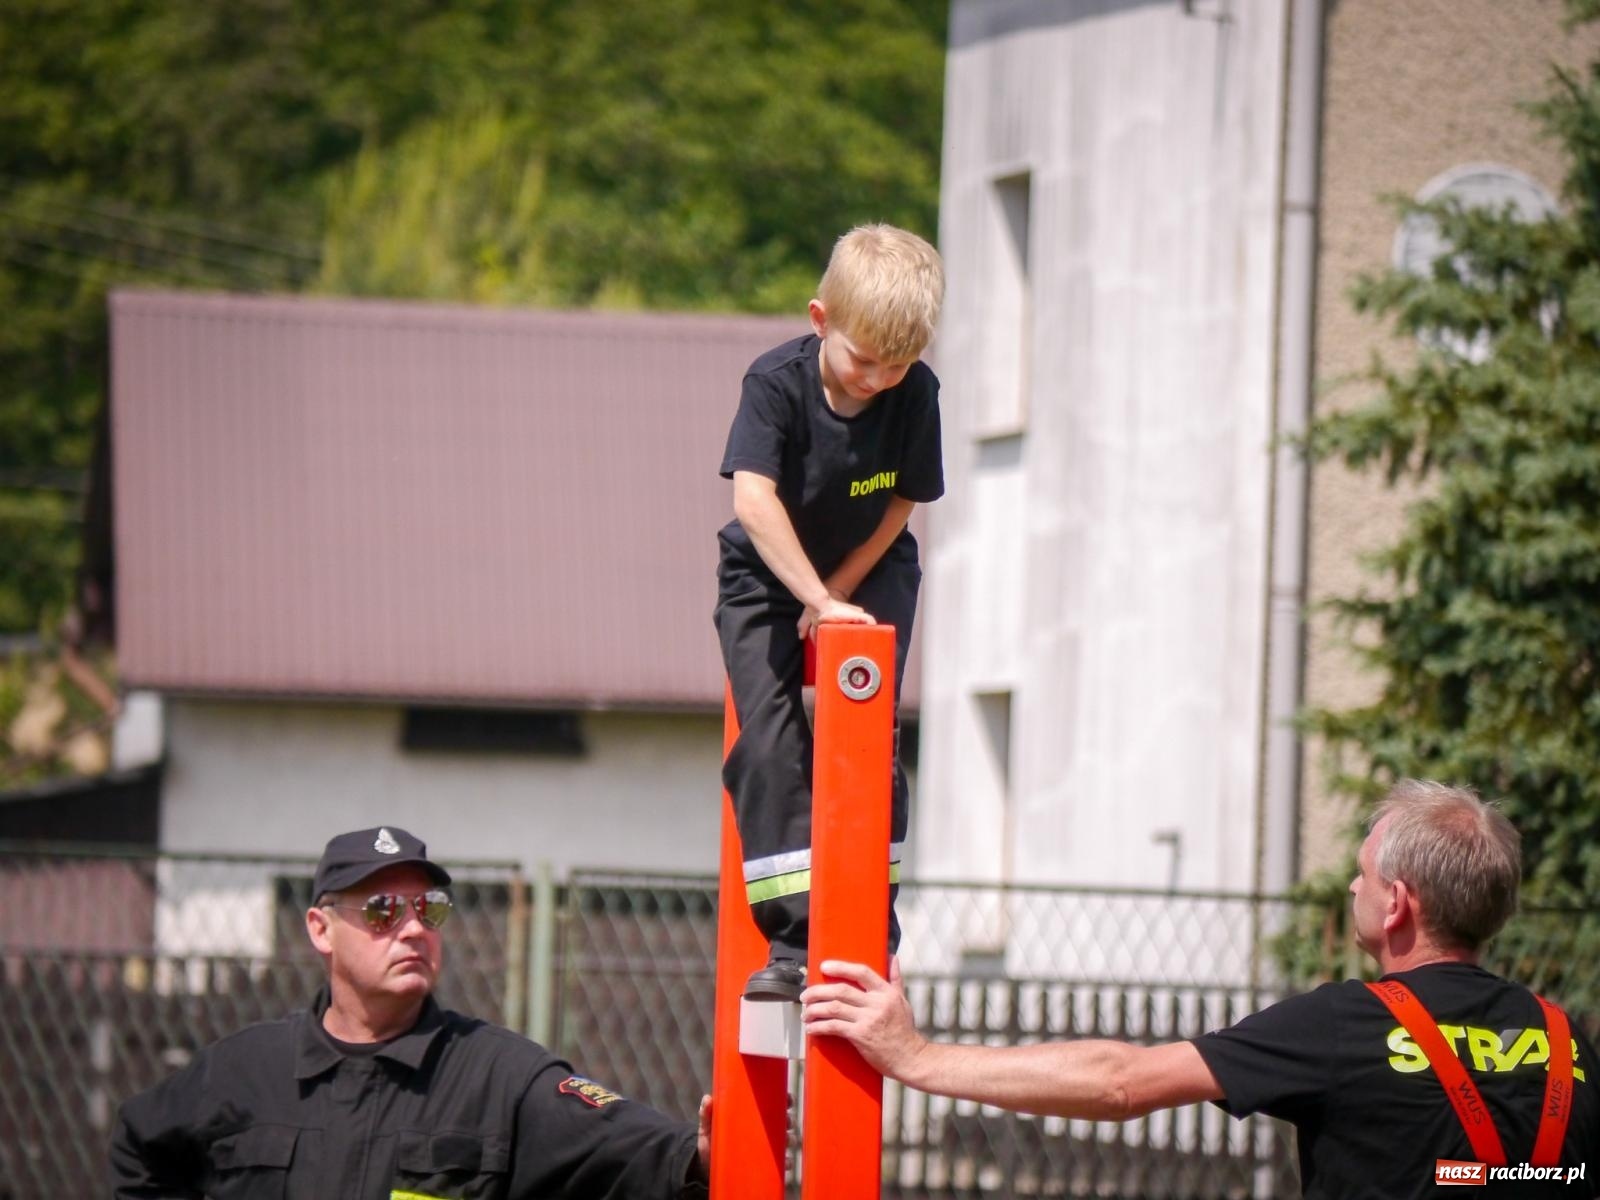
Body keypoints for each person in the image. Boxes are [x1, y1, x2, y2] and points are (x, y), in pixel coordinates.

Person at [802, 781, 1600, 1197]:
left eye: (1362, 876)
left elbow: (1122, 1084)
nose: (1351, 889)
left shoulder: (1346, 1025)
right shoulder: (1569, 1046)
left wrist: (915, 1057)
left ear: (1396, 904)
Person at [110, 825, 710, 1198]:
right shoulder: (245, 1069)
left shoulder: (498, 1077)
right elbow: (139, 1147)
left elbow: (638, 1151)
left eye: (430, 910)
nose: (414, 929)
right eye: (382, 911)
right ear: (321, 929)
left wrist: (704, 1154)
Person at [715, 222, 945, 1002]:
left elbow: (903, 502)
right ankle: (791, 938)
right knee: (771, 745)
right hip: (769, 571)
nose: (878, 380)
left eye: (898, 364)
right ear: (821, 321)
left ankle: (868, 926)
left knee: (864, 733)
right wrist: (811, 598)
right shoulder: (774, 384)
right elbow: (753, 498)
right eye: (862, 361)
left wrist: (841, 592)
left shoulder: (916, 393)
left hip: (868, 564)